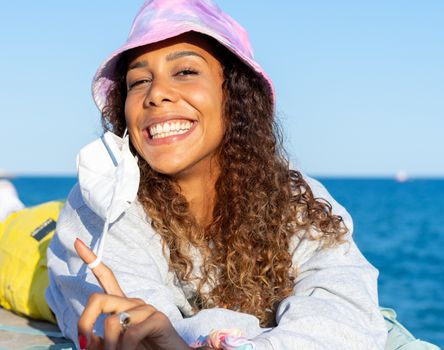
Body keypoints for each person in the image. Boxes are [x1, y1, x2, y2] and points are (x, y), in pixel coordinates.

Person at [46, 0, 387, 349]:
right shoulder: (101, 205)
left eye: (185, 72)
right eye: (139, 81)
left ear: (235, 95)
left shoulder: (295, 197)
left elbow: (345, 306)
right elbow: (133, 323)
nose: (156, 93)